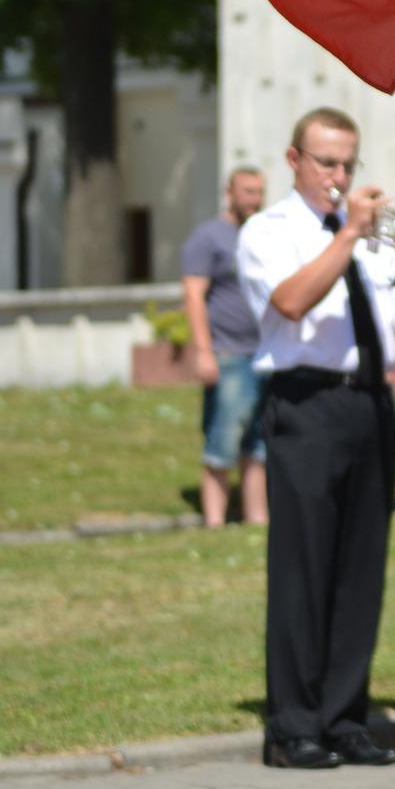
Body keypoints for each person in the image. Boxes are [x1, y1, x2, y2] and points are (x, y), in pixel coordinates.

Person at [237, 108, 395, 770]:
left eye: (348, 163)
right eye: (327, 162)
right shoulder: (268, 232)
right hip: (306, 404)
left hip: (370, 405)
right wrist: (347, 233)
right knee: (304, 567)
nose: (339, 175)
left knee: (361, 568)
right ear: (294, 160)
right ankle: (293, 725)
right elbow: (291, 303)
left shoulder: (377, 241)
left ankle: (344, 715)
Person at [180, 168, 269, 528]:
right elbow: (193, 295)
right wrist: (204, 352)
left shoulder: (262, 235)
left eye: (259, 192)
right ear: (228, 192)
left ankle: (257, 519)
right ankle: (214, 523)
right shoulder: (208, 238)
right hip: (228, 354)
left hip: (265, 355)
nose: (254, 199)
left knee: (259, 446)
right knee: (223, 441)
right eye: (247, 191)